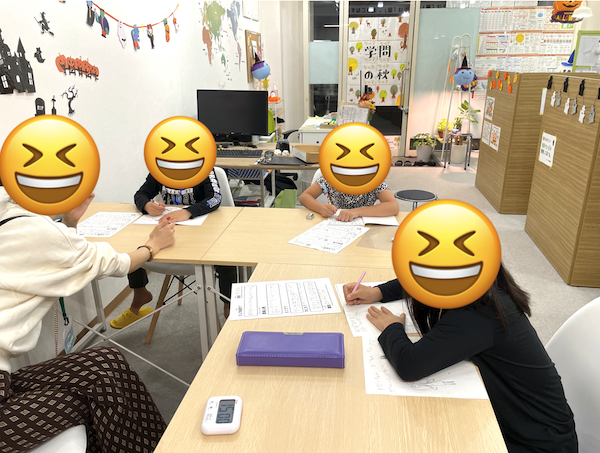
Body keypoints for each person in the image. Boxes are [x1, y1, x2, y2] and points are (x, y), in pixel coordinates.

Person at [0, 181, 175, 453]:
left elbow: (56, 249)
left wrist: (69, 223)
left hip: (5, 382)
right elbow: (116, 263)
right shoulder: (29, 227)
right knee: (99, 399)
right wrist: (153, 245)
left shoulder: (16, 216)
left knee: (106, 361)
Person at [343, 264, 578, 453]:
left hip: (533, 443)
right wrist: (379, 292)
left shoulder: (480, 311)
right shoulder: (482, 283)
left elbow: (409, 365)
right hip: (520, 422)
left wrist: (392, 328)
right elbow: (422, 277)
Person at [110, 171, 237, 328]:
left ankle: (229, 302)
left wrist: (188, 211)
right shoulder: (159, 170)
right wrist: (147, 205)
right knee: (137, 247)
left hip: (204, 233)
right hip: (172, 234)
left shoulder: (204, 169)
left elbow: (215, 198)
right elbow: (140, 194)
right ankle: (139, 294)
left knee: (225, 254)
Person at [299, 174, 399, 221]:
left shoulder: (375, 179)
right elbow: (304, 197)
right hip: (336, 225)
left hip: (365, 227)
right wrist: (321, 208)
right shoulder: (329, 177)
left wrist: (357, 212)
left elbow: (393, 206)